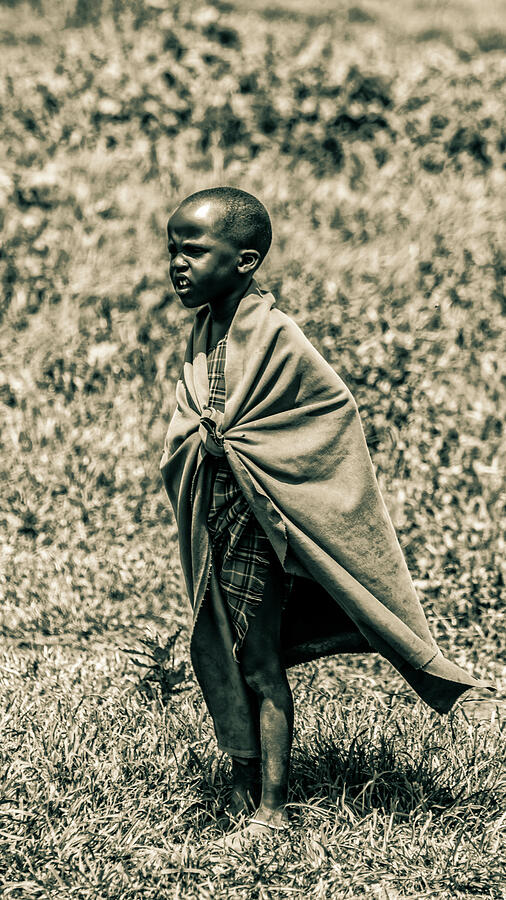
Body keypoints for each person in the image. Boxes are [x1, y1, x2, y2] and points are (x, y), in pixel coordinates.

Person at [160, 186, 484, 846]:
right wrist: (205, 443)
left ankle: (272, 813)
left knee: (260, 663)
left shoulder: (274, 335)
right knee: (231, 650)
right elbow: (197, 428)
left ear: (245, 260)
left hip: (261, 526)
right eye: (172, 250)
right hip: (221, 521)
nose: (177, 264)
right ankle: (246, 792)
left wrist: (238, 442)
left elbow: (327, 416)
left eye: (194, 250)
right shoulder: (204, 334)